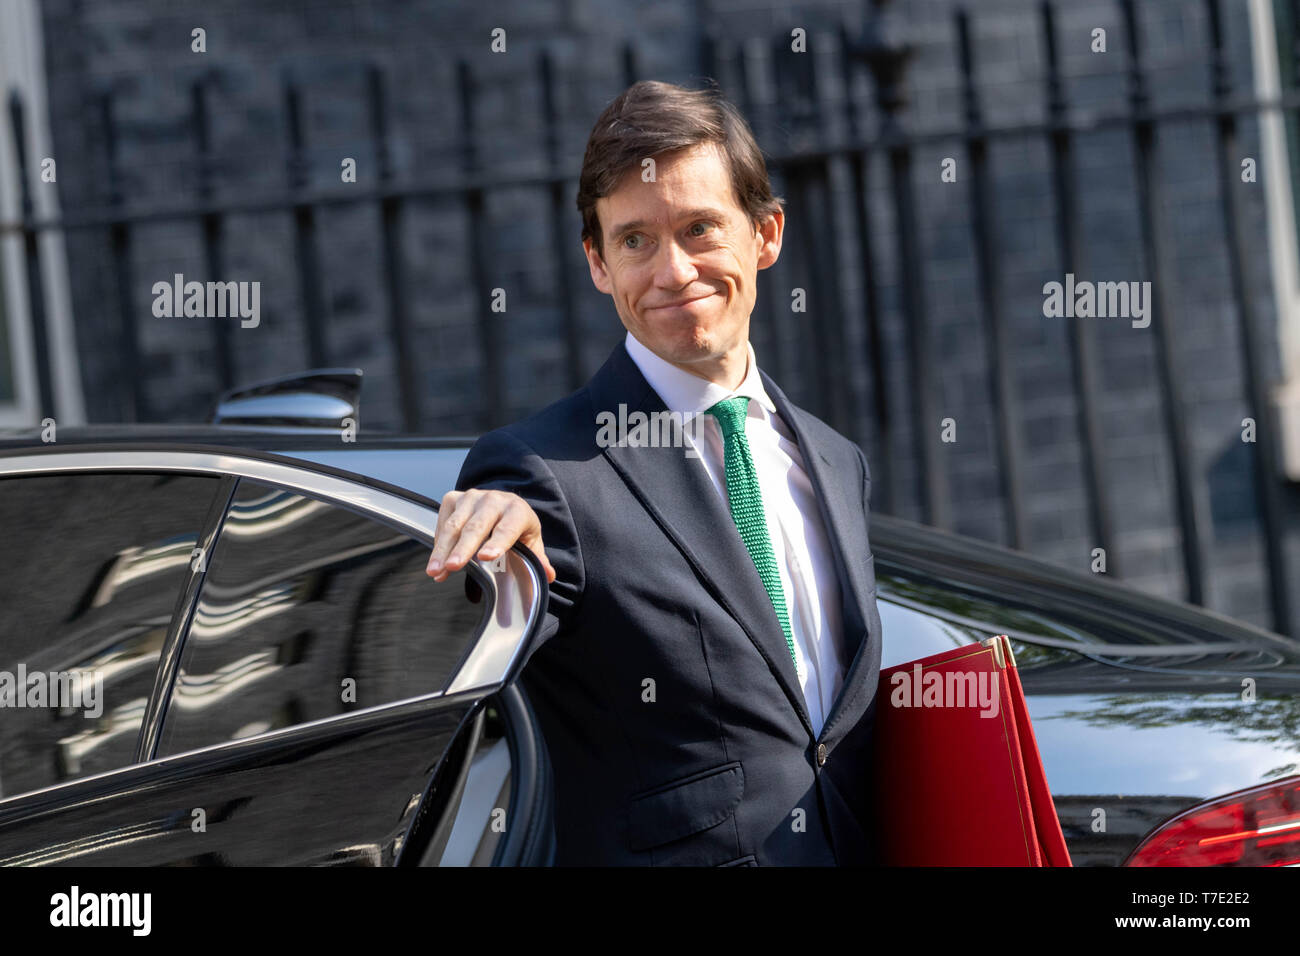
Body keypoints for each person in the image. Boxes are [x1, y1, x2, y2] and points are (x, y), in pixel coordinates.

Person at [426, 80, 883, 865]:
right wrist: (490, 563)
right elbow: (458, 677)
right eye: (635, 241)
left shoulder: (837, 460)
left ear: (766, 234)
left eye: (700, 228)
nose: (673, 271)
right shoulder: (542, 475)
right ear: (598, 263)